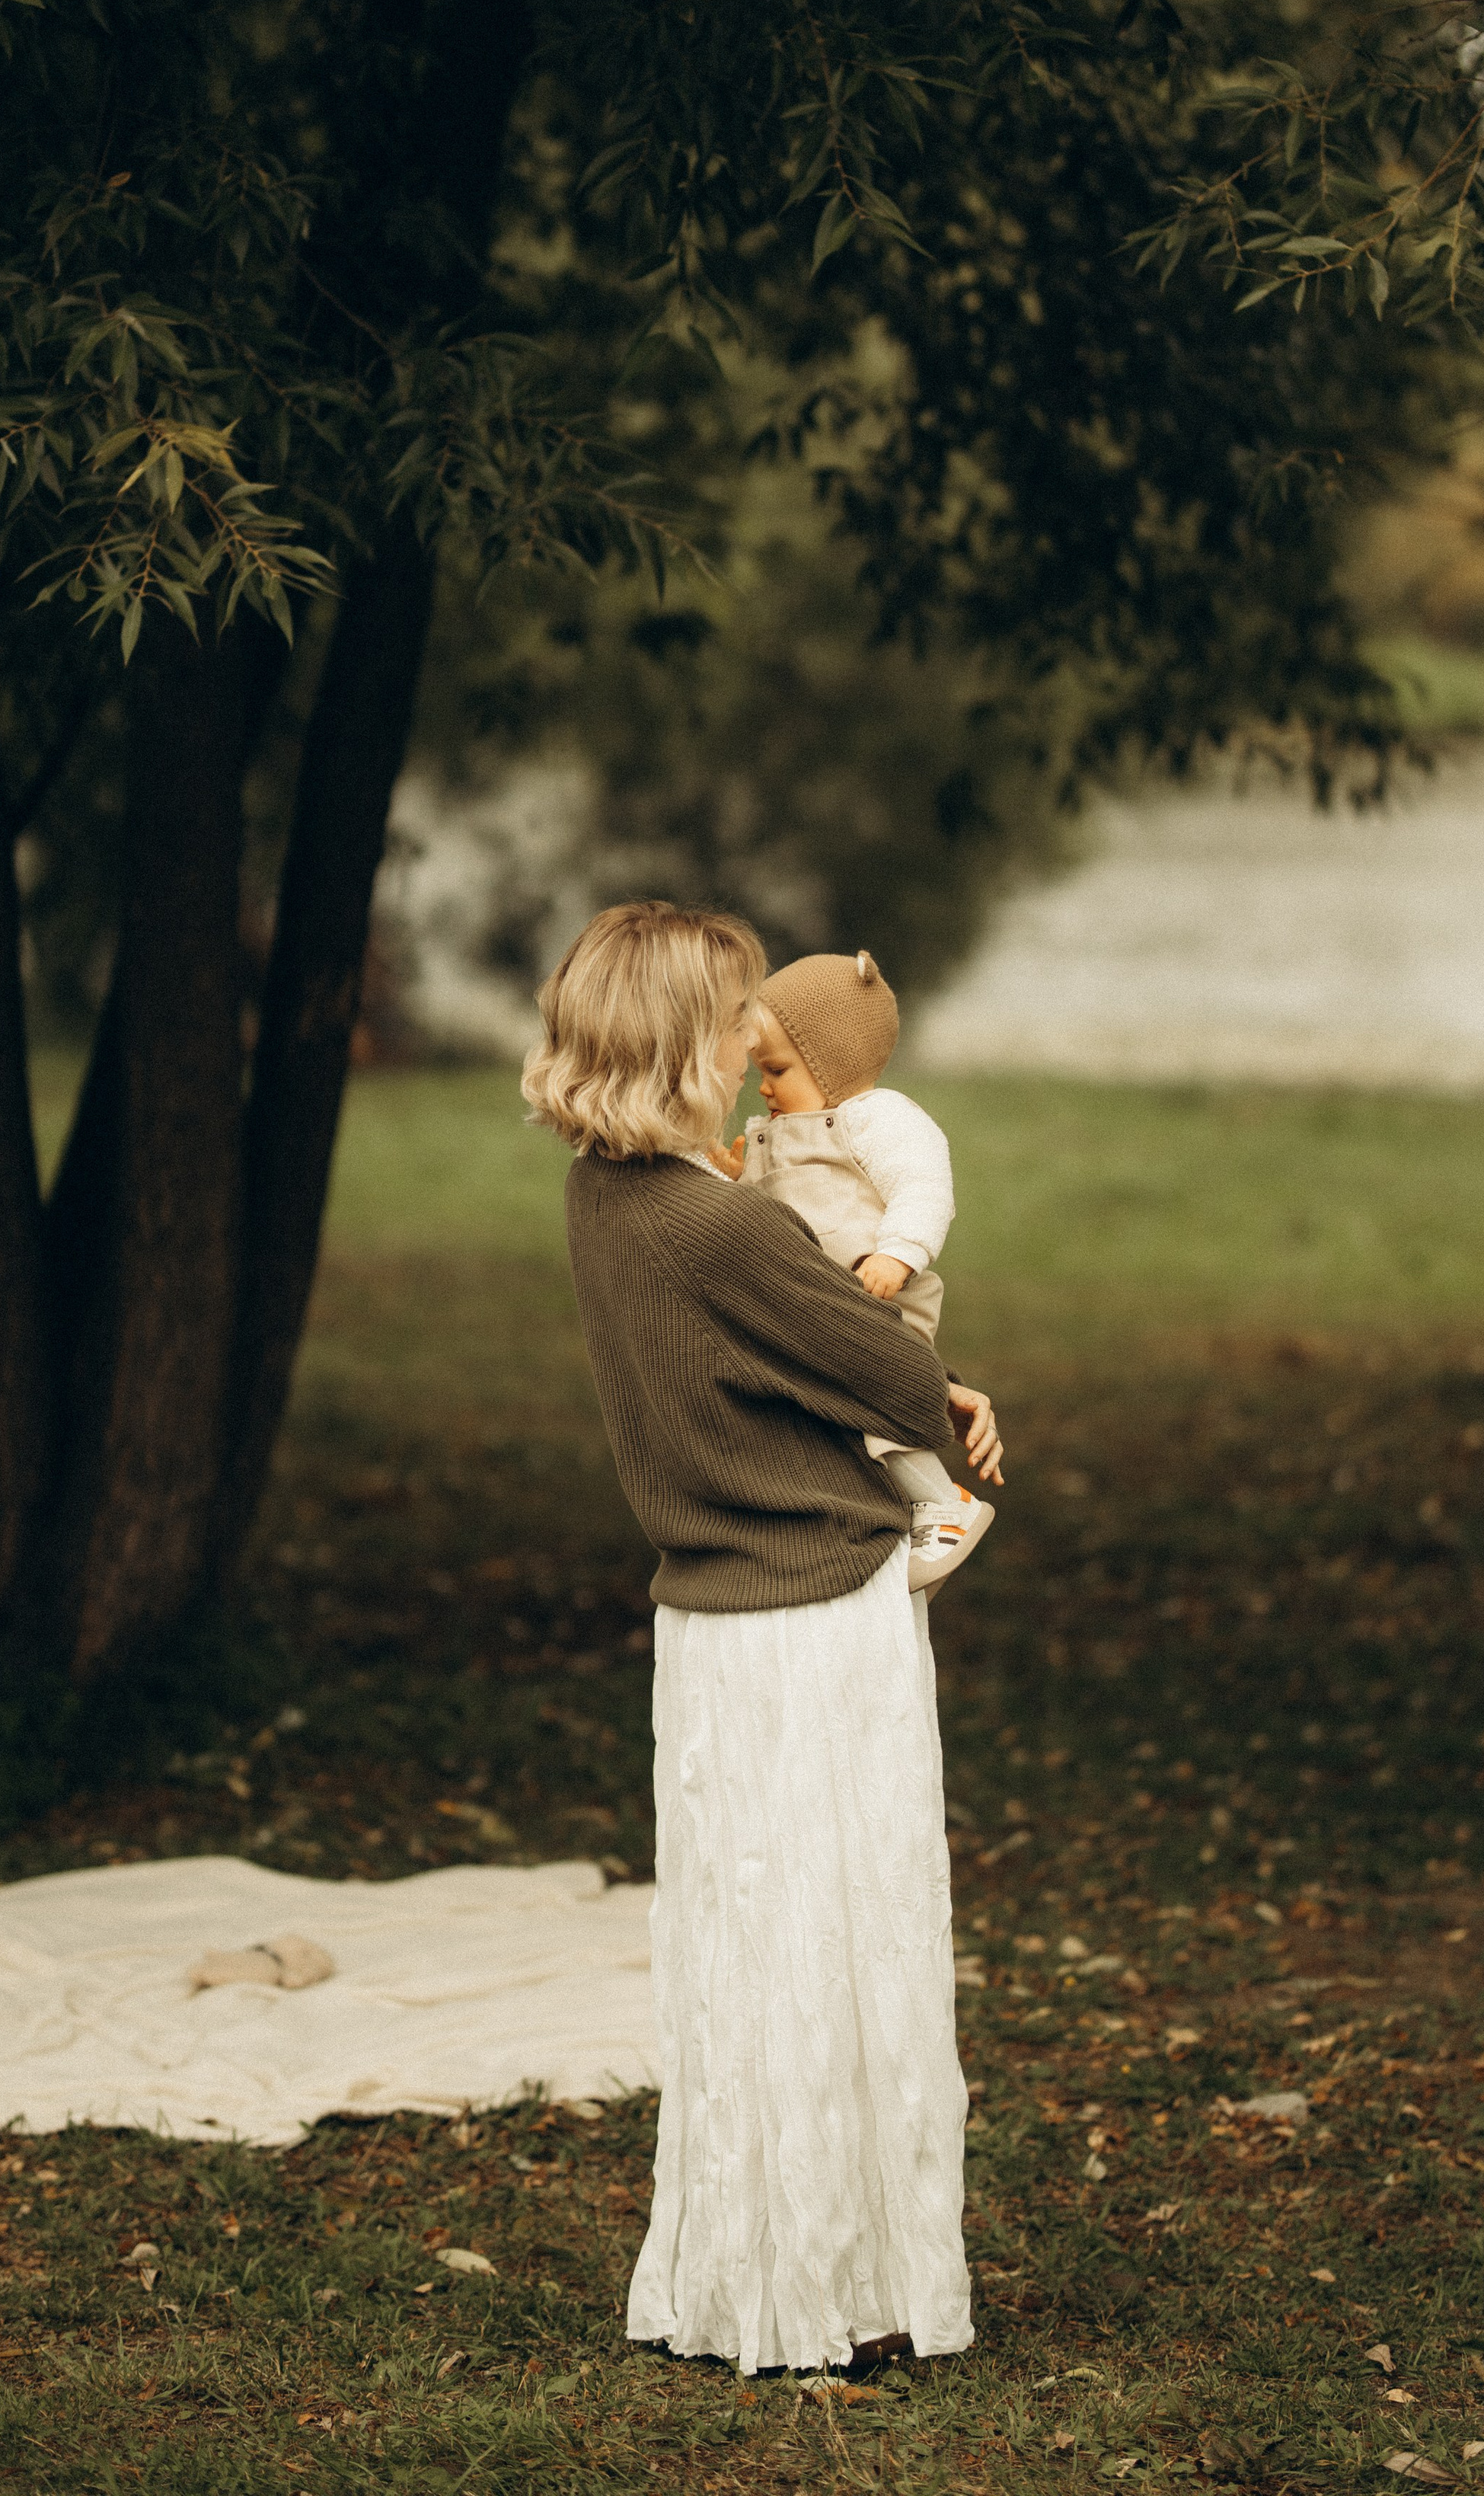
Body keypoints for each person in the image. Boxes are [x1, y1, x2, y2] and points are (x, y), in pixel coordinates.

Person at [522, 899, 1003, 2377]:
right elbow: (867, 1355)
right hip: (809, 1613)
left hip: (707, 1627)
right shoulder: (717, 1221)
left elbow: (777, 1362)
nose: (749, 1041)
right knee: (842, 1944)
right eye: (728, 1015)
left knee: (749, 1955)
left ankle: (756, 2272)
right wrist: (952, 1403)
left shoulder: (608, 1202)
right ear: (676, 1041)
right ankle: (839, 2286)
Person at [713, 948, 995, 1592]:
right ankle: (885, 1516)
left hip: (879, 1295)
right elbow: (765, 1221)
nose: (763, 1085)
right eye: (760, 1070)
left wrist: (898, 1252)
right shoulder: (777, 1131)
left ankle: (944, 1503)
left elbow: (925, 1186)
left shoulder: (880, 1119)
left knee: (879, 1403)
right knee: (830, 1416)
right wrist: (735, 1180)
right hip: (817, 1305)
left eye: (778, 1069)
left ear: (830, 1061)